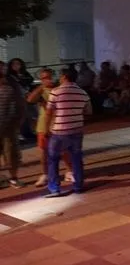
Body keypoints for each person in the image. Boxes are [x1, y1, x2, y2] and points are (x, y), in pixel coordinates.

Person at [44, 67, 91, 197]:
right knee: (76, 158)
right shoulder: (82, 93)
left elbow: (49, 112)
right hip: (76, 130)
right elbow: (89, 111)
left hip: (59, 131)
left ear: (64, 77)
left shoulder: (55, 92)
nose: (59, 78)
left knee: (53, 159)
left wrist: (47, 129)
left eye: (60, 76)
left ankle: (54, 188)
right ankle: (78, 186)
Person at [28, 68, 73, 187]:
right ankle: (45, 174)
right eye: (43, 78)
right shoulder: (41, 90)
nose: (47, 80)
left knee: (64, 150)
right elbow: (30, 99)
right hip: (44, 125)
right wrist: (41, 87)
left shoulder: (60, 88)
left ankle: (69, 171)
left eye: (48, 77)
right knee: (44, 151)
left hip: (59, 123)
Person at [0, 61, 26, 188]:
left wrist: (18, 121)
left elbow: (21, 103)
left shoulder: (13, 84)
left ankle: (13, 178)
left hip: (9, 127)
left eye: (2, 68)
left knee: (11, 154)